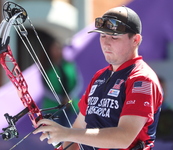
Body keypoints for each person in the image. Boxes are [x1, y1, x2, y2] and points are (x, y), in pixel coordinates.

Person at [33, 6, 163, 150]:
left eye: (114, 37)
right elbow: (78, 129)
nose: (106, 43)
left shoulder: (142, 79)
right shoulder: (99, 76)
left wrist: (67, 133)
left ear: (136, 40)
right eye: (102, 36)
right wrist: (68, 137)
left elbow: (124, 137)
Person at [40, 35, 81, 127]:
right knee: (55, 136)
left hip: (71, 105)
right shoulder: (46, 67)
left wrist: (69, 97)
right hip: (53, 108)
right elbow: (45, 88)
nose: (58, 50)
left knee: (72, 133)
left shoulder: (69, 64)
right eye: (55, 48)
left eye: (59, 48)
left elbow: (78, 82)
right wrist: (60, 99)